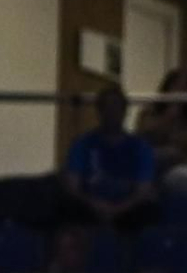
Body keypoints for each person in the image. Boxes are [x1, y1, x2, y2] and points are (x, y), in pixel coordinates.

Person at [63, 85, 157, 226]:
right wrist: (94, 204)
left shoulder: (140, 147)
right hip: (90, 208)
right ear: (99, 111)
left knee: (149, 211)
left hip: (128, 209)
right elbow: (72, 186)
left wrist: (118, 209)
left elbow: (143, 190)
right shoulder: (83, 143)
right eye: (106, 107)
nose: (112, 113)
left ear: (124, 111)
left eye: (116, 107)